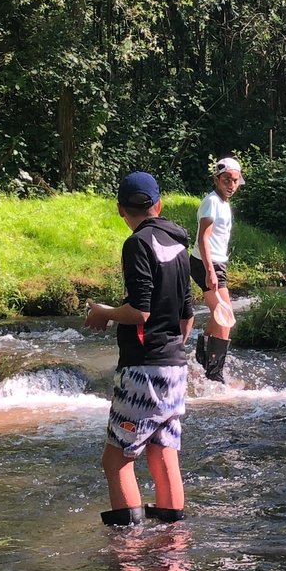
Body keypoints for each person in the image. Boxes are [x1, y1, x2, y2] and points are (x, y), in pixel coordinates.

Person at [83, 171, 193, 526]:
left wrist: (104, 312)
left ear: (120, 210)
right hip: (174, 366)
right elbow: (187, 315)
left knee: (116, 460)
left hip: (143, 370)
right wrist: (171, 348)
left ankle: (128, 558)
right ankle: (173, 556)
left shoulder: (137, 244)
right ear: (158, 205)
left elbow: (140, 311)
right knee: (163, 456)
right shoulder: (179, 244)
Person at [192, 156, 243, 382]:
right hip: (207, 263)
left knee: (222, 315)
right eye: (226, 180)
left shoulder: (224, 202)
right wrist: (210, 270)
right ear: (216, 179)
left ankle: (203, 352)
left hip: (216, 263)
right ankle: (214, 375)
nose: (231, 185)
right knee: (225, 318)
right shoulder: (212, 201)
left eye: (235, 180)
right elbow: (203, 238)